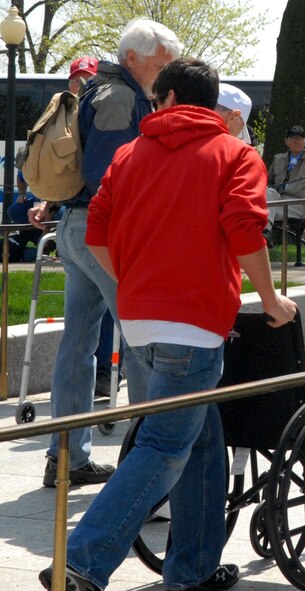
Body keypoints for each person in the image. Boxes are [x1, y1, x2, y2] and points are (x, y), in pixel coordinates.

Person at [39, 57, 297, 591]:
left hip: (138, 321)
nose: (152, 106)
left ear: (172, 98)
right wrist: (271, 300)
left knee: (200, 439)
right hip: (195, 326)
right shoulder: (235, 154)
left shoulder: (130, 154)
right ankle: (81, 562)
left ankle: (194, 568)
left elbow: (97, 234)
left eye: (155, 99)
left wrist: (132, 282)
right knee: (164, 445)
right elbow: (246, 231)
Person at [28, 18, 182, 489]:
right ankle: (145, 469)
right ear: (134, 58)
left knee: (77, 346)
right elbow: (110, 175)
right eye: (161, 64)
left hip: (79, 232)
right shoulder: (118, 98)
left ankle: (67, 457)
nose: (167, 73)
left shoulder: (103, 90)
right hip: (102, 234)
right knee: (140, 341)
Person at [267, 125, 305, 265]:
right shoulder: (278, 159)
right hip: (279, 200)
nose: (297, 141)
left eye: (300, 138)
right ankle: (265, 233)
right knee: (268, 193)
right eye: (293, 138)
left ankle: (264, 233)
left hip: (300, 204)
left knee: (263, 210)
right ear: (286, 141)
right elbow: (268, 182)